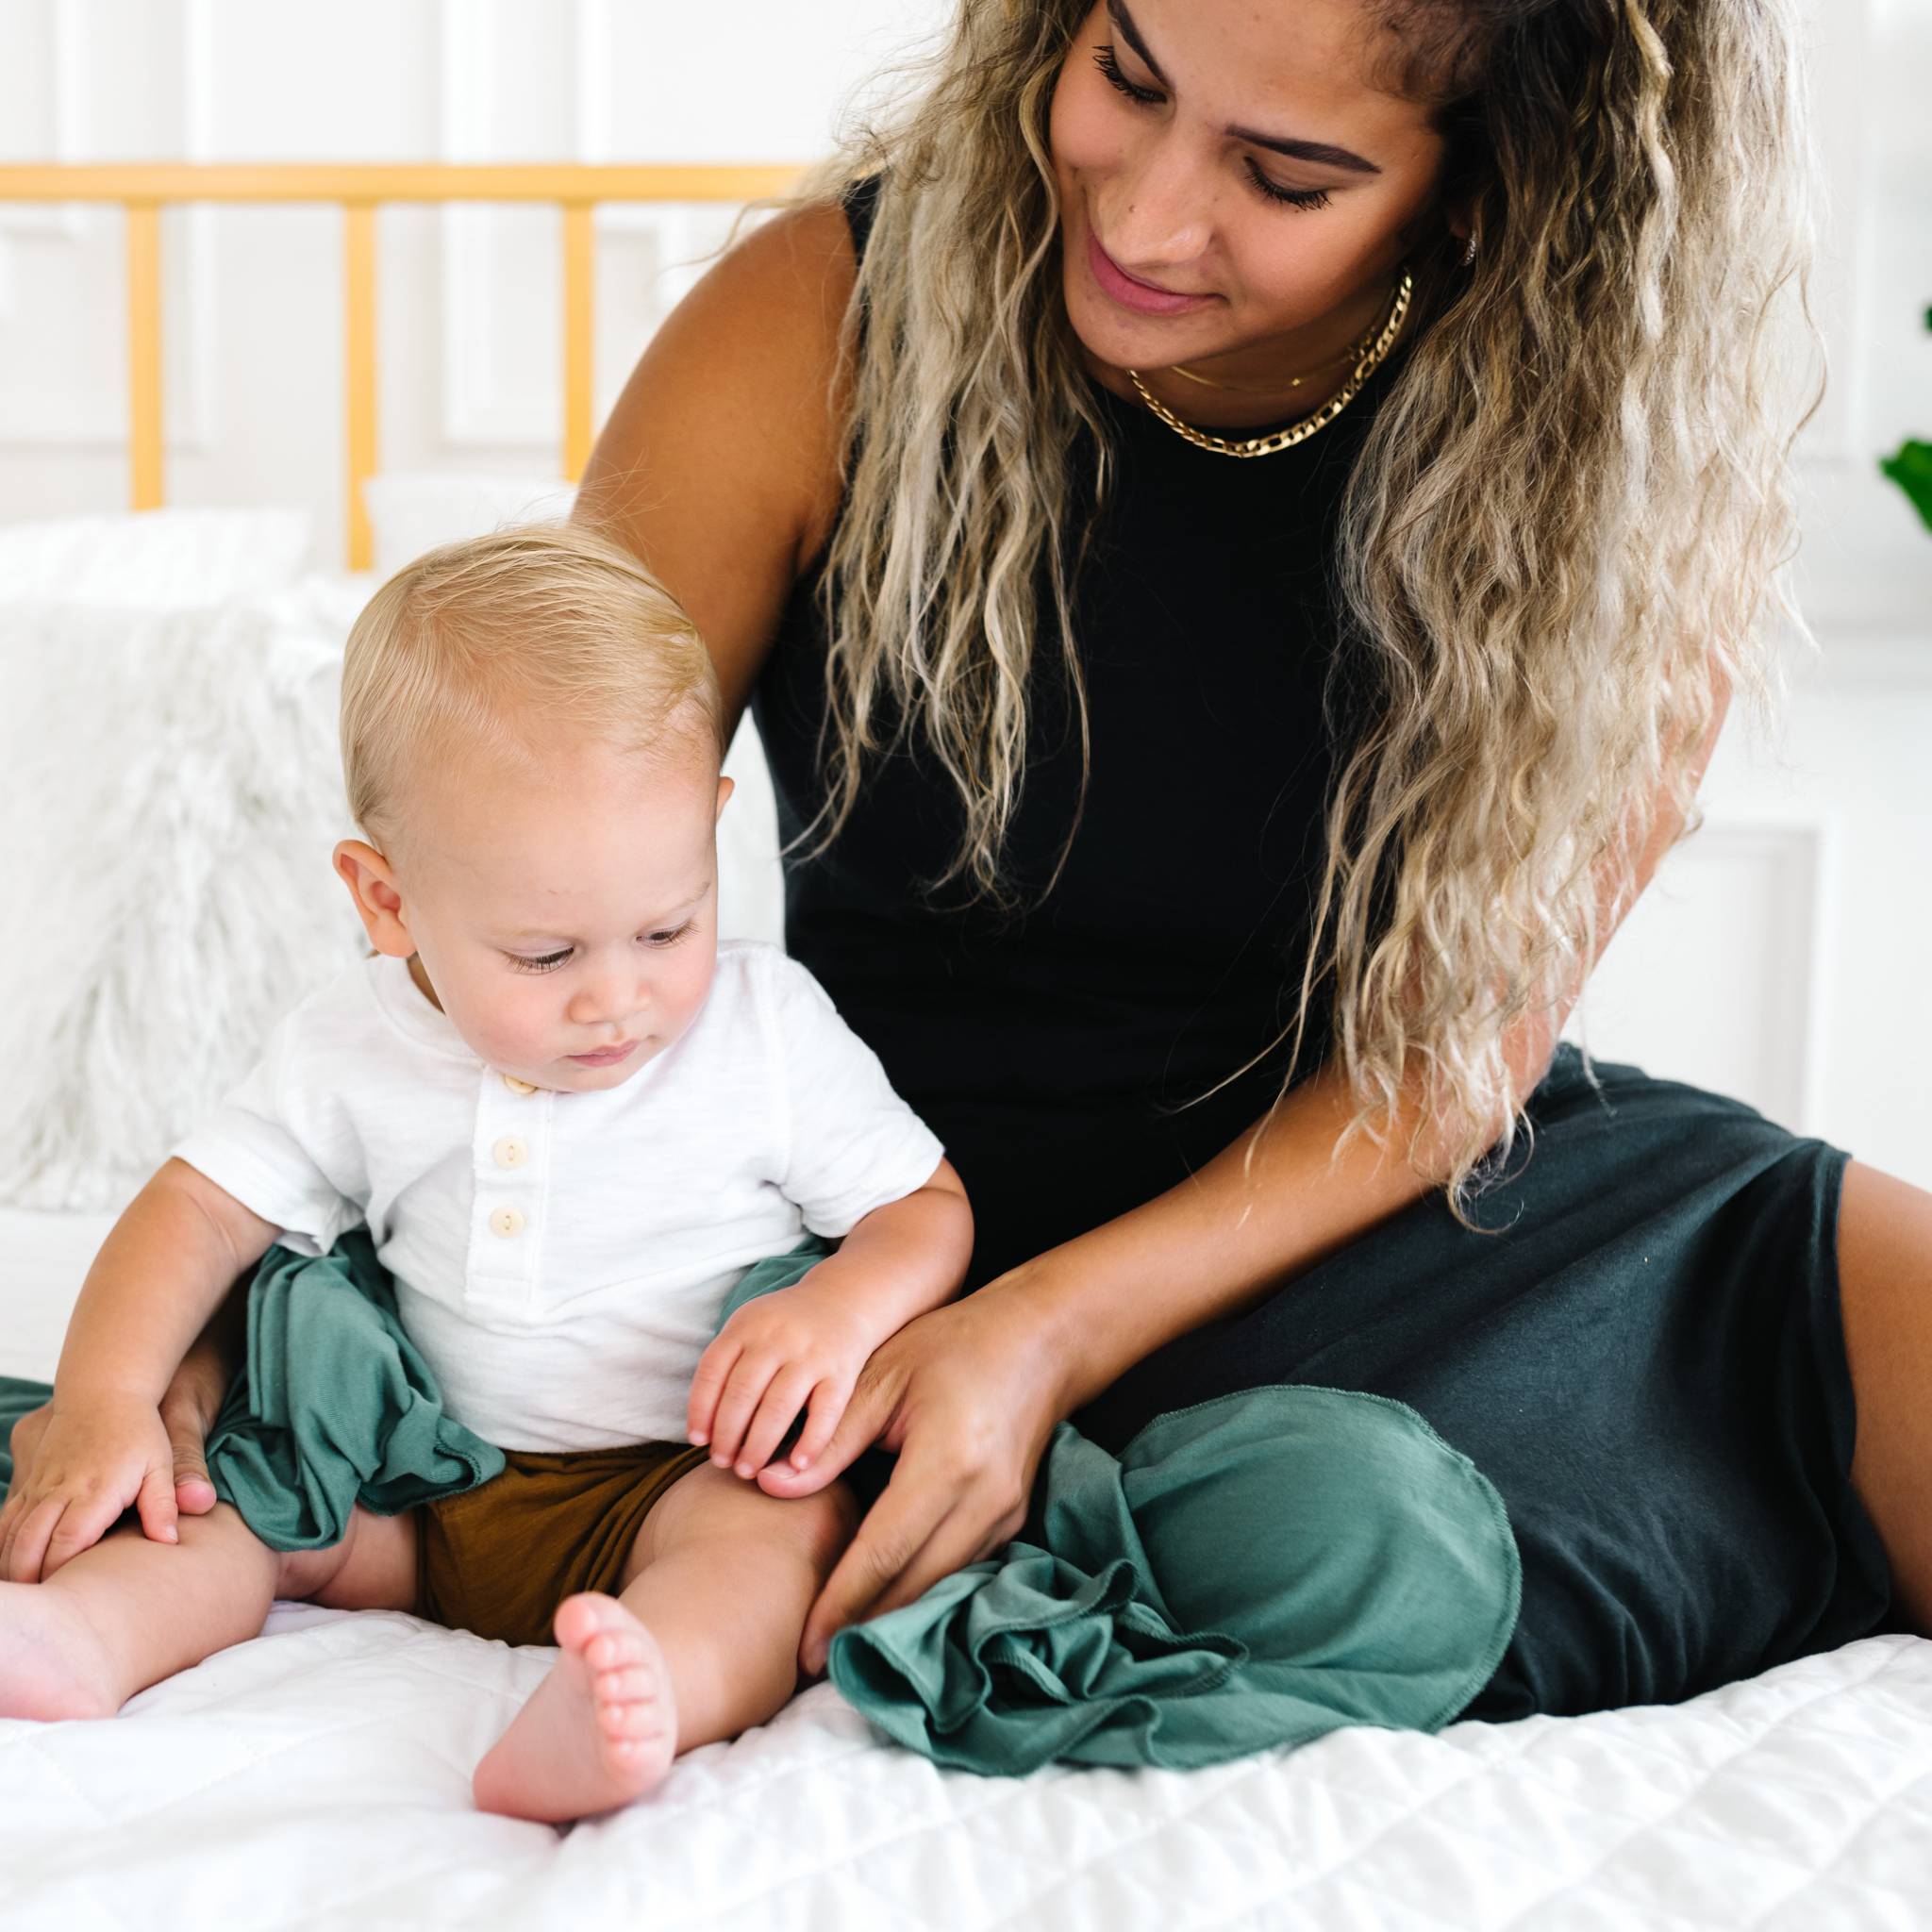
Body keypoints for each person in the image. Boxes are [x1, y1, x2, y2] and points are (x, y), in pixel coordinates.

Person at [10, 0, 1930, 1722]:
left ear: (1497, 190)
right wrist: (222, 1333)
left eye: (1284, 173)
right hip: (886, 1240)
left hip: (1361, 1202)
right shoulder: (816, 326)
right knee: (1348, 1517)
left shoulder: (1610, 481)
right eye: (1128, 75)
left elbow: (1452, 1063)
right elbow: (531, 851)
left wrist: (1046, 1332)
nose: (1148, 212)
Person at [0, 525, 973, 1822]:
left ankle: (639, 1699)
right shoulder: (353, 1042)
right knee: (236, 1501)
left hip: (672, 1483)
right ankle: (84, 1638)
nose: (617, 998)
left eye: (667, 926)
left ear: (711, 825)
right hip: (423, 1484)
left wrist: (841, 1308)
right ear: (387, 901)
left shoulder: (766, 1033)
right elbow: (199, 1207)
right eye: (546, 956)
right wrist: (103, 1397)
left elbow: (924, 1209)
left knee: (772, 1547)